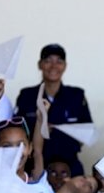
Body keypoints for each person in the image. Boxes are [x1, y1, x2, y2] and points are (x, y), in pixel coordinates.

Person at [14, 44, 92, 176]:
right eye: (48, 61)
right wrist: (38, 129)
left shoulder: (76, 96)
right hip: (35, 165)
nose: (53, 66)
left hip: (69, 164)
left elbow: (88, 131)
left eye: (59, 62)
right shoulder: (27, 95)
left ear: (65, 66)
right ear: (40, 65)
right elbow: (17, 130)